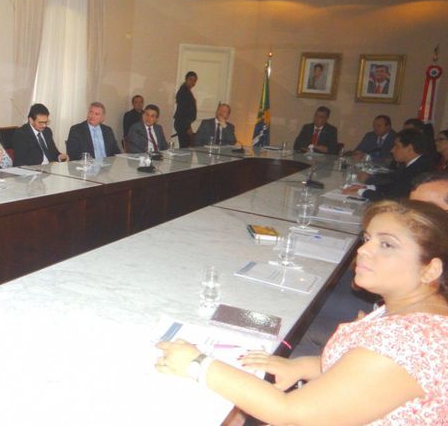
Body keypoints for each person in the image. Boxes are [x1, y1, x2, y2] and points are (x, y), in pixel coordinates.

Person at [156, 199, 448, 425]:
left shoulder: (412, 343)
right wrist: (299, 366)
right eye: (367, 238)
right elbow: (361, 372)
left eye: (386, 244)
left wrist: (198, 364)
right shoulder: (411, 311)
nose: (363, 250)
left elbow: (290, 413)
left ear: (430, 269)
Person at [344, 128, 435, 201]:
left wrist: (361, 192)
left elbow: (394, 198)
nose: (392, 150)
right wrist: (368, 187)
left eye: (396, 146)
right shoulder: (415, 164)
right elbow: (394, 186)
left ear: (409, 149)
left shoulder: (419, 170)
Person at [174, 71, 197, 148]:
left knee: (185, 146)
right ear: (186, 79)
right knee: (185, 148)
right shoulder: (184, 91)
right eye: (190, 79)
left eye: (194, 80)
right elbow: (182, 111)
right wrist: (187, 127)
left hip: (183, 123)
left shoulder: (186, 90)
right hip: (182, 124)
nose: (192, 82)